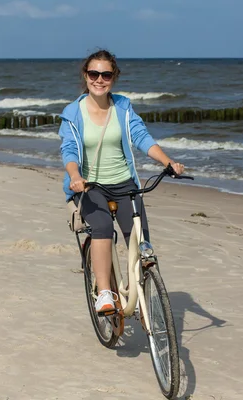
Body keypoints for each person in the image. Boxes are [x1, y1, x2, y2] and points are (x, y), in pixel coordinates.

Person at [58, 49, 185, 313]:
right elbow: (69, 150)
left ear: (113, 77)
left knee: (139, 240)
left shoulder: (123, 107)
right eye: (94, 73)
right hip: (90, 186)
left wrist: (167, 162)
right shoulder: (73, 112)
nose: (99, 79)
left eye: (106, 74)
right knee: (103, 227)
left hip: (124, 183)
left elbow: (141, 137)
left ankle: (135, 287)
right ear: (86, 75)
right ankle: (104, 291)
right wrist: (75, 176)